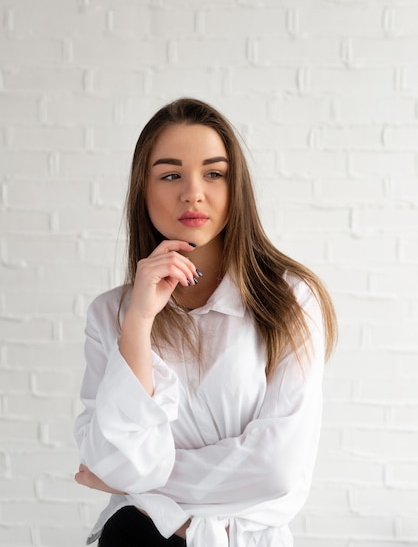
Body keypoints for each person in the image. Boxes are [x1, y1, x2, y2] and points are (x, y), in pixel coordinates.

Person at [74, 97, 337, 547]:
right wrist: (139, 321)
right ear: (144, 189)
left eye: (214, 173)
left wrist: (139, 483)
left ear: (237, 188)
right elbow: (114, 460)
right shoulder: (112, 313)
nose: (193, 193)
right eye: (170, 174)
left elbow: (277, 469)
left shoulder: (289, 299)